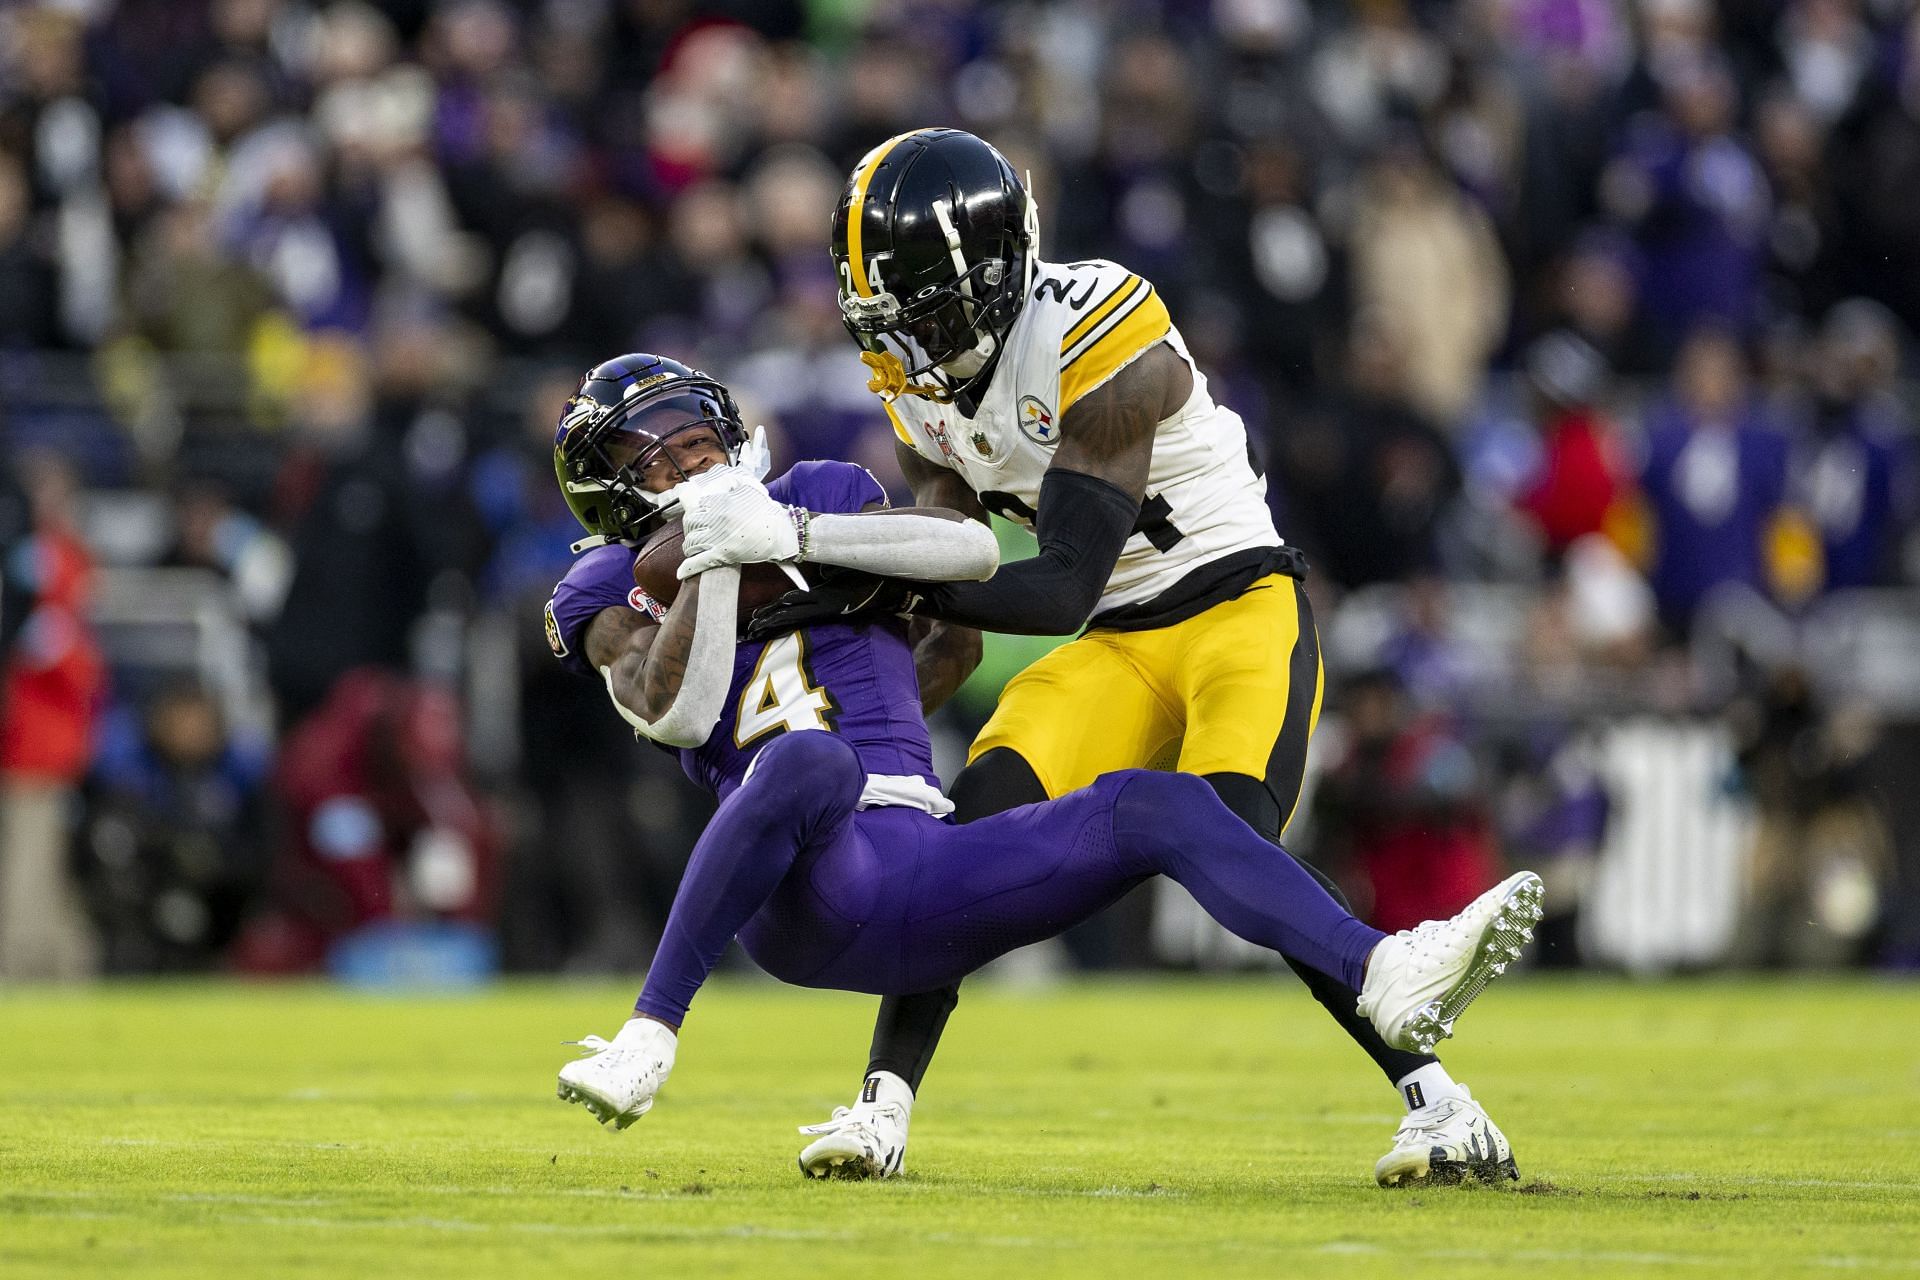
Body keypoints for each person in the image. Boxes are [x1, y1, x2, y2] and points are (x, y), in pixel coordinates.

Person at [544, 353, 1544, 1176]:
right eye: (662, 459)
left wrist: (805, 556)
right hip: (792, 882)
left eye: (700, 442)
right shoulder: (601, 586)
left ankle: (1383, 967)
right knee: (809, 762)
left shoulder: (820, 494)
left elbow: (965, 568)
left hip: (909, 854)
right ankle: (650, 1033)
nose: (693, 465)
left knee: (1156, 806)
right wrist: (713, 562)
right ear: (612, 490)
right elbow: (670, 710)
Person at [753, 128, 1522, 1186]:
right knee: (961, 831)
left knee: (1234, 845)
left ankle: (1446, 1107)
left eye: (926, 313)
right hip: (1114, 642)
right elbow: (957, 593)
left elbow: (1060, 576)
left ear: (994, 276)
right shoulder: (921, 387)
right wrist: (868, 722)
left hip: (1234, 610)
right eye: (891, 319)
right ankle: (881, 1107)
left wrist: (855, 571)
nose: (910, 345)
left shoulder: (1103, 325)